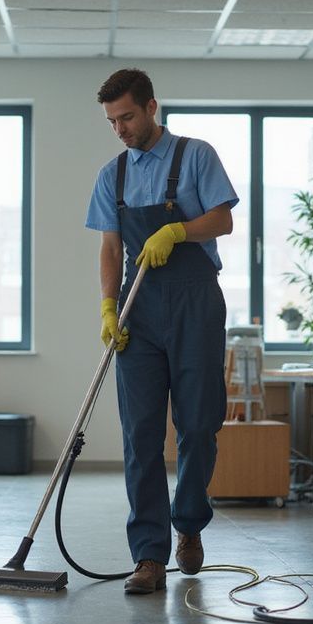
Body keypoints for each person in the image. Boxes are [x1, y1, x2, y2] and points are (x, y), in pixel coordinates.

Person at [85, 69, 238, 595]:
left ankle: (189, 522)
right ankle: (148, 555)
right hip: (138, 307)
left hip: (196, 300)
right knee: (141, 434)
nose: (121, 129)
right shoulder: (113, 176)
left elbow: (222, 220)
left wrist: (177, 229)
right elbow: (109, 248)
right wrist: (109, 309)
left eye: (127, 117)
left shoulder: (196, 155)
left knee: (198, 424)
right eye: (112, 121)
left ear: (151, 107)